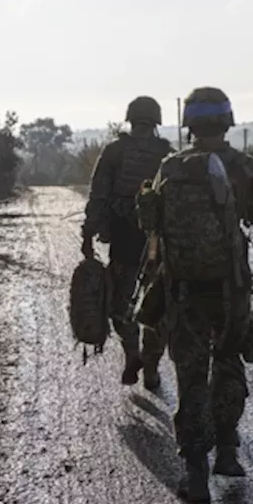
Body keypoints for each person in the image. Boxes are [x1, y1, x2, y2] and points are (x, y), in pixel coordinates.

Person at [146, 86, 253, 504]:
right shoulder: (241, 165)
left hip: (185, 290)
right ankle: (227, 450)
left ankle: (196, 474)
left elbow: (150, 224)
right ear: (226, 121)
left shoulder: (169, 167)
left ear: (189, 124)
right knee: (228, 363)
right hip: (231, 290)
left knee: (190, 378)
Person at [81, 96, 173, 390]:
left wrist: (88, 233)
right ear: (156, 121)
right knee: (157, 305)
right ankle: (151, 367)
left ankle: (132, 353)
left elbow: (98, 196)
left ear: (130, 119)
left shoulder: (114, 152)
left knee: (121, 303)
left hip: (124, 238)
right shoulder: (167, 156)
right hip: (159, 241)